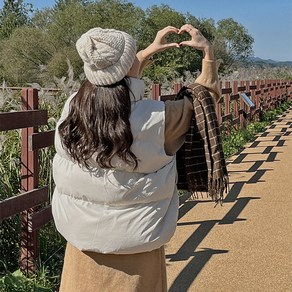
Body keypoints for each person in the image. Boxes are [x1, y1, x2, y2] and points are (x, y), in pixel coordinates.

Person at [52, 24, 221, 292]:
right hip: (138, 251)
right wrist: (208, 54)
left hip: (82, 248)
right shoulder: (160, 119)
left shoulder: (72, 108)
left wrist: (141, 55)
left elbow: (113, 82)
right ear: (127, 65)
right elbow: (203, 102)